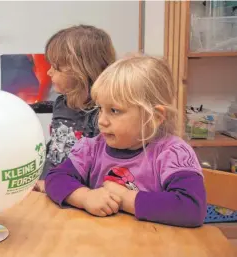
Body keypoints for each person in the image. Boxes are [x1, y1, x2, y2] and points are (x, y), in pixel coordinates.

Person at [45, 55, 206, 227]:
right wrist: (85, 197)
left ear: (155, 117)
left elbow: (192, 207)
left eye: (114, 110)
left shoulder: (172, 153)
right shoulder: (92, 148)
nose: (102, 121)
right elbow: (55, 178)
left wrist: (124, 197)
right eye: (100, 109)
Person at [34, 25, 116, 193]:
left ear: (81, 70)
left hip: (77, 193)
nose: (49, 72)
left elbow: (99, 167)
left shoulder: (102, 114)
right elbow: (57, 144)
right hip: (49, 183)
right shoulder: (61, 103)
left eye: (56, 67)